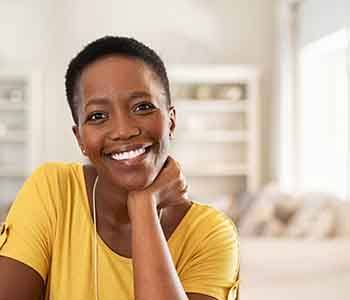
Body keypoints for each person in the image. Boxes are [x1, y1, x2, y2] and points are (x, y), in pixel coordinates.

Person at [0, 36, 239, 300]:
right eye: (98, 116)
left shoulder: (211, 234)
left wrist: (143, 206)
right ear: (79, 137)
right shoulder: (54, 190)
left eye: (143, 107)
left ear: (171, 122)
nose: (124, 131)